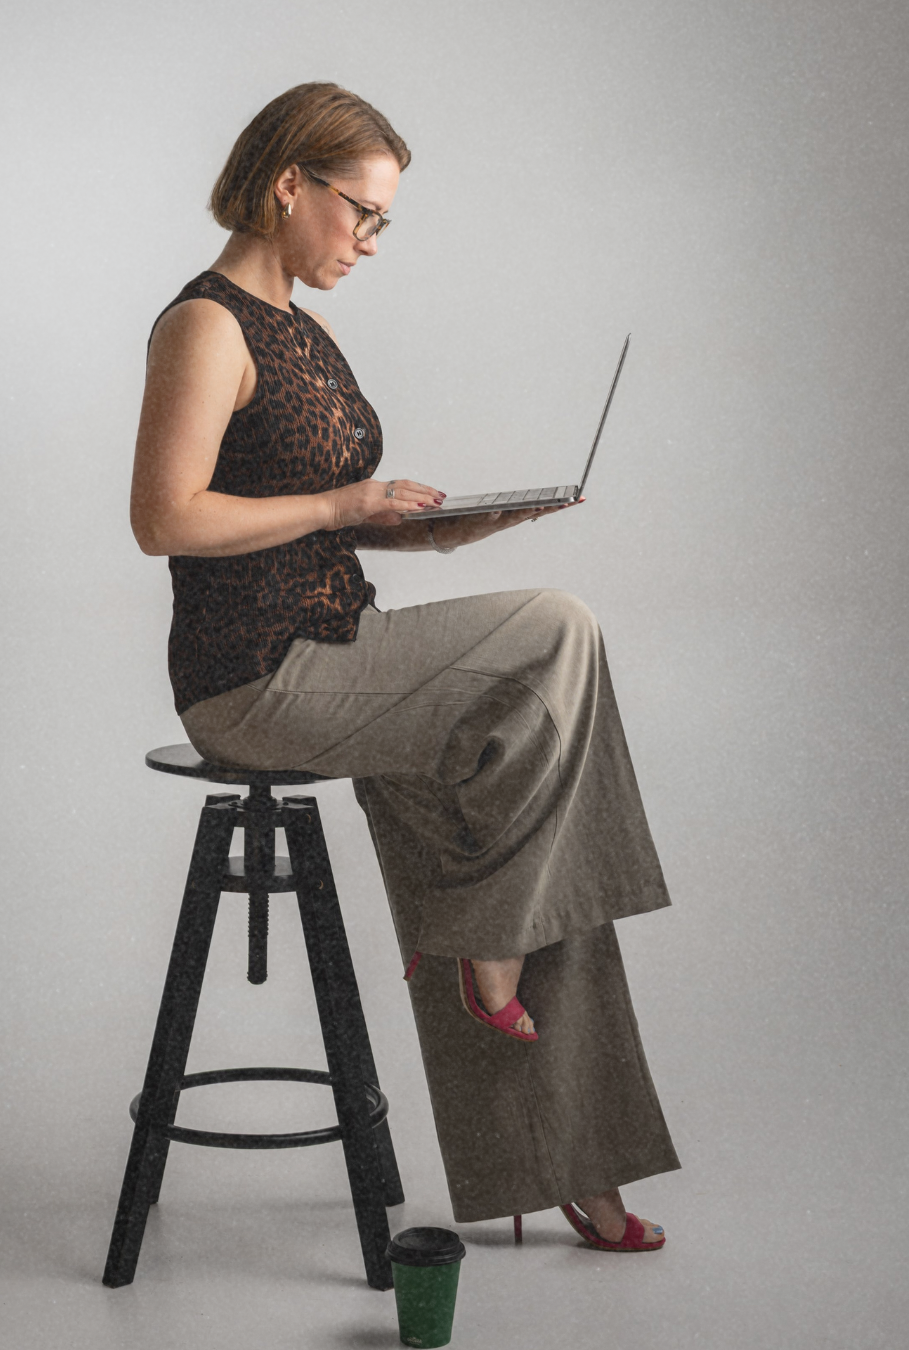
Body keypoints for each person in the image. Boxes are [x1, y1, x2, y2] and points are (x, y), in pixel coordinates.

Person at [129, 82, 679, 1251]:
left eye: (385, 222)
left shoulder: (306, 329)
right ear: (290, 185)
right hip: (259, 684)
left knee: (540, 833)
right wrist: (343, 500)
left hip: (343, 650)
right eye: (361, 213)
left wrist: (426, 529)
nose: (371, 241)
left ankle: (567, 1156)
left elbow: (300, 515)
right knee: (559, 630)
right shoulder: (206, 325)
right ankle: (485, 941)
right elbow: (165, 517)